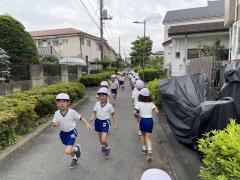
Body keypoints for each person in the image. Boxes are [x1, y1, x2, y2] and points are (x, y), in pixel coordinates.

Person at [52, 93, 92, 169]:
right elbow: (54, 122)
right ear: (57, 103)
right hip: (63, 134)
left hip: (71, 133)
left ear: (68, 102)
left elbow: (80, 118)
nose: (62, 103)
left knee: (67, 151)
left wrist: (87, 124)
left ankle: (76, 149)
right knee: (69, 150)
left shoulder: (72, 112)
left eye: (64, 101)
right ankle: (75, 157)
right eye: (59, 101)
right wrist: (55, 124)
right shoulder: (56, 113)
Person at [90, 88, 117, 158]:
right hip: (98, 122)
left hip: (105, 123)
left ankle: (107, 148)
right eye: (100, 96)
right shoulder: (97, 104)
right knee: (100, 139)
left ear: (107, 96)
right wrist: (92, 118)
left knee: (103, 139)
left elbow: (113, 115)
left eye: (103, 95)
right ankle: (103, 146)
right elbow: (94, 113)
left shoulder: (109, 106)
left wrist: (115, 124)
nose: (101, 97)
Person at [134, 88, 159, 162]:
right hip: (150, 121)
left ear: (140, 96)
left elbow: (134, 112)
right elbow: (157, 111)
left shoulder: (139, 103)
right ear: (149, 96)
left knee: (142, 135)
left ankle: (144, 148)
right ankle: (150, 150)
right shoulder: (151, 103)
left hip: (143, 121)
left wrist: (138, 115)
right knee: (148, 137)